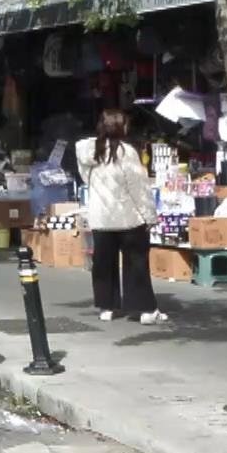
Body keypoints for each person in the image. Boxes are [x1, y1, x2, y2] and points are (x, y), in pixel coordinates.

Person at [74, 109, 167, 324]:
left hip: (101, 218)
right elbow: (139, 188)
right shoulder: (127, 152)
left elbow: (86, 178)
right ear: (121, 127)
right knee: (136, 263)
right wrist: (149, 216)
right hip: (128, 217)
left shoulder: (89, 151)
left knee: (103, 263)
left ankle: (106, 306)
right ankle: (144, 309)